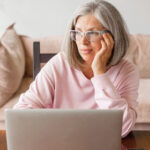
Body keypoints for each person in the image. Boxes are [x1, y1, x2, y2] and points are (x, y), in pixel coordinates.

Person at [14, 0, 139, 138]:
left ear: (112, 37)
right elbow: (21, 113)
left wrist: (99, 73)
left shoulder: (127, 71)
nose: (83, 41)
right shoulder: (59, 64)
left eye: (92, 33)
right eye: (78, 33)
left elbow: (123, 129)